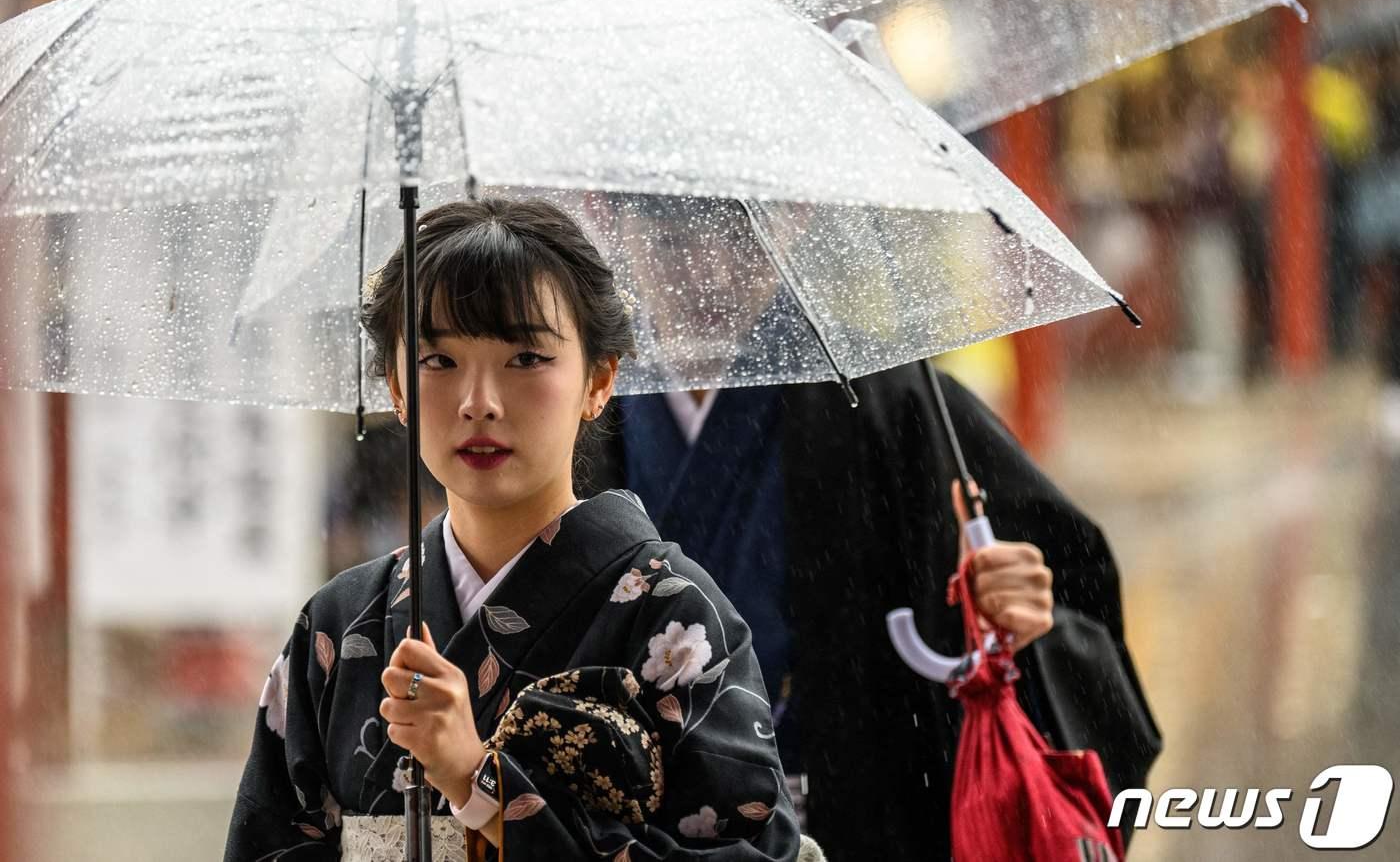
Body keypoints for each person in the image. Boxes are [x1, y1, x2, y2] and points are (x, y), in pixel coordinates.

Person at [224, 199, 802, 861]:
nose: (479, 401)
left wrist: (479, 782)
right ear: (396, 388)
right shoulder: (339, 627)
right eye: (438, 360)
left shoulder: (674, 620)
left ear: (599, 378)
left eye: (525, 357)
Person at [582, 369, 1162, 862]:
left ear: (789, 232)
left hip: (859, 815)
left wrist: (1024, 626)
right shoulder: (575, 404)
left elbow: (1070, 585)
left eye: (731, 247)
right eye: (664, 239)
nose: (701, 266)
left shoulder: (891, 397)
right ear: (624, 233)